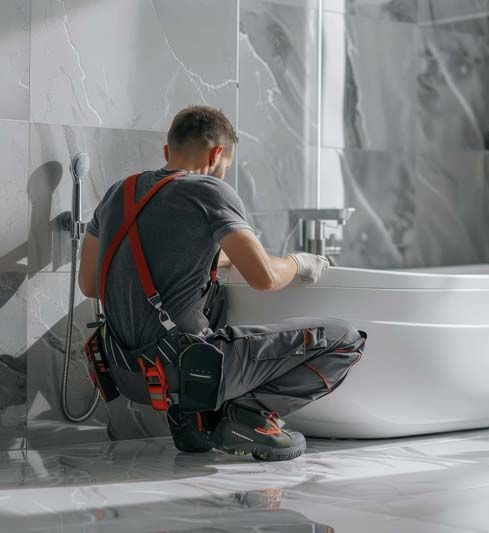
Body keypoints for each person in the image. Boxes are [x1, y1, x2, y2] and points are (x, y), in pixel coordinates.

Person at [77, 105, 366, 461]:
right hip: (186, 368)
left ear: (168, 151)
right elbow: (264, 278)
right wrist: (299, 262)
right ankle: (249, 417)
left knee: (211, 293)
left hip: (128, 372)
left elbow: (90, 285)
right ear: (217, 154)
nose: (224, 173)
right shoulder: (209, 191)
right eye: (226, 166)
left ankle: (193, 422)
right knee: (345, 338)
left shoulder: (117, 193)